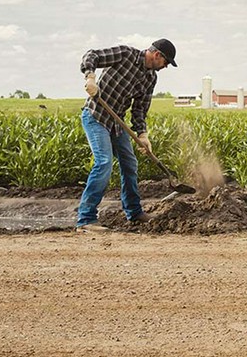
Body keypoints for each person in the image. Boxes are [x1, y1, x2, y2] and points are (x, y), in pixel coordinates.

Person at [75, 39, 177, 232]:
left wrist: (142, 134)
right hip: (96, 117)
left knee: (130, 163)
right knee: (104, 162)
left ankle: (134, 212)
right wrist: (90, 77)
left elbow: (139, 109)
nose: (165, 67)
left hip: (116, 124)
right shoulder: (125, 54)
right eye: (166, 62)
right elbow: (92, 55)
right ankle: (86, 219)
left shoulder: (150, 78)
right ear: (157, 55)